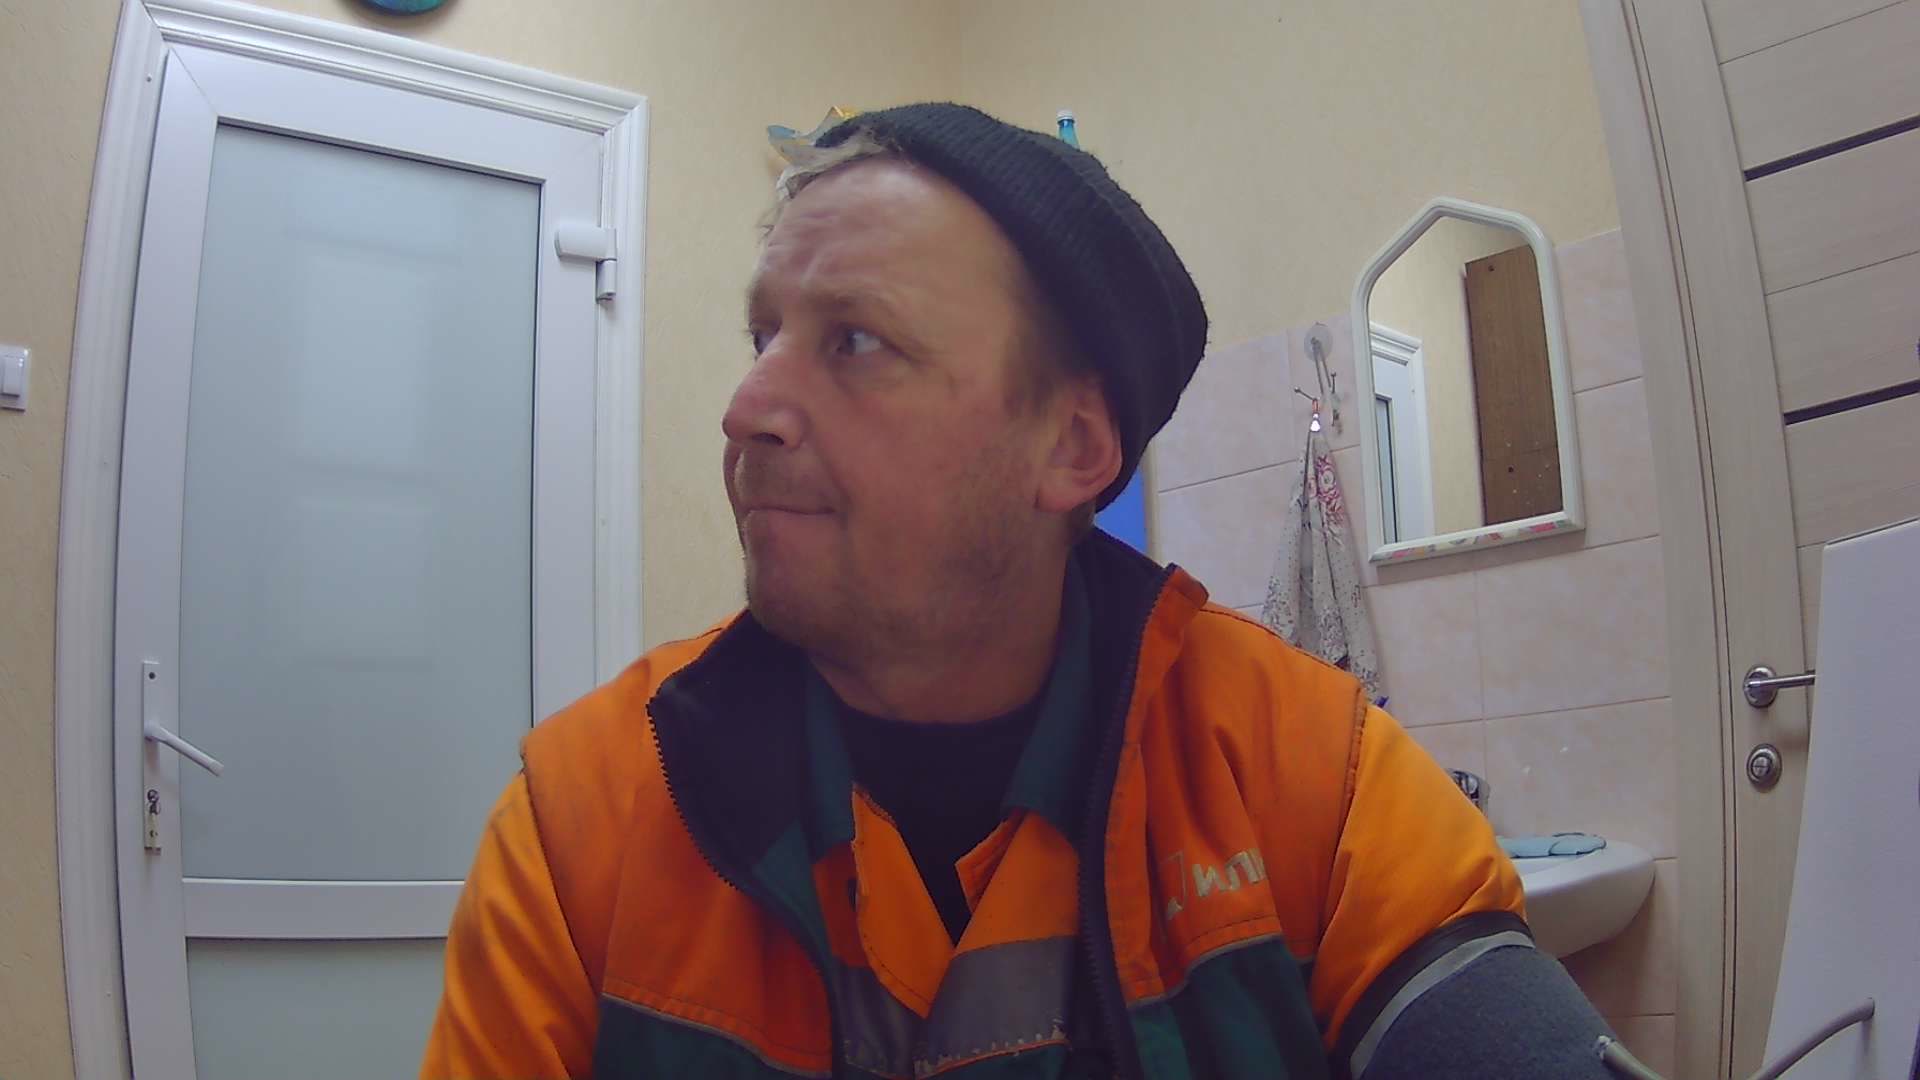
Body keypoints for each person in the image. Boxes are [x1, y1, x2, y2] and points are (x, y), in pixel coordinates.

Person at [423, 103, 1617, 1079]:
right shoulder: (587, 819)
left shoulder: (1310, 776)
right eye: (763, 337)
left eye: (856, 343)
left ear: (1074, 448)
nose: (746, 409)